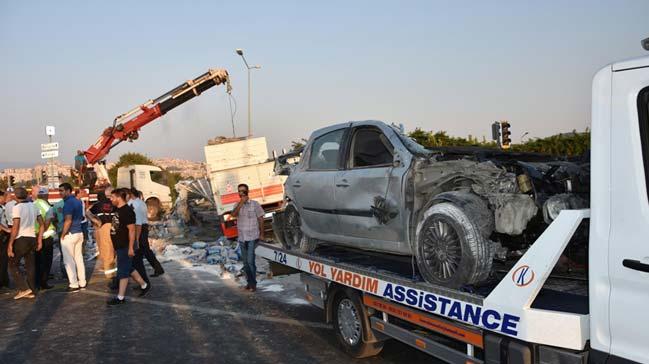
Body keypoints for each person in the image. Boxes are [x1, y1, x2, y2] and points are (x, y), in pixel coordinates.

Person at [107, 188, 150, 305]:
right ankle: (144, 285)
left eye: (112, 197)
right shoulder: (118, 209)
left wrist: (131, 247)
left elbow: (131, 230)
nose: (111, 199)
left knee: (123, 272)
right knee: (128, 267)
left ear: (119, 198)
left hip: (125, 246)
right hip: (119, 245)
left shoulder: (127, 211)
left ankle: (120, 298)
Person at [7, 187, 45, 299]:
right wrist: (39, 240)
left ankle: (23, 288)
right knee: (30, 266)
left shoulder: (17, 208)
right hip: (32, 238)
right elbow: (42, 224)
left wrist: (10, 243)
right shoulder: (34, 206)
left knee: (13, 264)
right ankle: (32, 290)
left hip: (21, 239)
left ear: (16, 196)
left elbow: (16, 227)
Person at [231, 183, 264, 292]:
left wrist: (262, 234)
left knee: (250, 261)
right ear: (238, 193)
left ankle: (253, 284)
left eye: (244, 191)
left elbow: (261, 219)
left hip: (252, 237)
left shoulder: (255, 204)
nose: (242, 193)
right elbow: (233, 215)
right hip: (242, 238)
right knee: (245, 263)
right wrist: (241, 203)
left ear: (247, 191)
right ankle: (249, 283)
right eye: (240, 191)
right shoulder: (237, 205)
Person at [128, 188, 164, 278]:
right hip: (143, 227)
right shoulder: (141, 203)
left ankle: (143, 275)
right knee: (144, 251)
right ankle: (157, 269)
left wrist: (136, 238)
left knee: (143, 251)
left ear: (131, 195)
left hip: (139, 229)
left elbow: (138, 223)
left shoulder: (135, 204)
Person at [59, 182, 86, 291]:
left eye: (62, 191)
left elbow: (68, 220)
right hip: (79, 232)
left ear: (68, 191)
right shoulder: (77, 201)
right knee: (79, 259)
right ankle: (82, 281)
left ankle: (73, 284)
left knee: (68, 261)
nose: (60, 193)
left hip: (70, 234)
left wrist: (63, 234)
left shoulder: (68, 203)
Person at [86, 189, 116, 279]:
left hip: (102, 228)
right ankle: (110, 269)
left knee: (106, 250)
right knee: (112, 250)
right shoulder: (113, 204)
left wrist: (94, 220)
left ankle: (109, 274)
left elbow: (87, 212)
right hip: (114, 227)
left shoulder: (97, 205)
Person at [32, 186, 56, 289]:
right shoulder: (47, 206)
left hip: (35, 235)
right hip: (46, 237)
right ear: (46, 195)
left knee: (37, 261)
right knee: (46, 261)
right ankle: (43, 283)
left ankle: (37, 282)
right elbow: (48, 221)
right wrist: (43, 232)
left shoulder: (33, 204)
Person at [0, 191, 12, 289]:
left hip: (3, 235)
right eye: (4, 197)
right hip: (1, 235)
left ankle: (4, 280)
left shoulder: (2, 207)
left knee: (4, 260)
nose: (5, 198)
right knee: (3, 259)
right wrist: (7, 229)